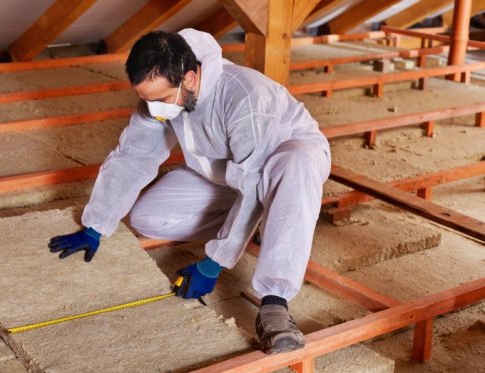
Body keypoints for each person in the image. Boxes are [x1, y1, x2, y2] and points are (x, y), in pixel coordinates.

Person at [49, 28, 331, 354]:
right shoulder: (162, 96)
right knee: (148, 217)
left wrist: (213, 262)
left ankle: (275, 302)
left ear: (191, 79)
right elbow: (133, 156)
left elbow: (253, 182)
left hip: (281, 165)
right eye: (147, 100)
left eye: (162, 100)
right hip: (224, 174)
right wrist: (96, 225)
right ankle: (254, 224)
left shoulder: (246, 96)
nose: (155, 110)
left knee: (294, 164)